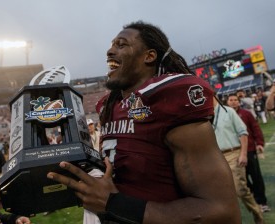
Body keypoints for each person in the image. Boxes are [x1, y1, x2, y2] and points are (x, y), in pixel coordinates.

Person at [47, 21, 241, 224]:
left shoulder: (168, 100)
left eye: (121, 45)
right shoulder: (110, 106)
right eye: (112, 44)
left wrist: (113, 204)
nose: (110, 51)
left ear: (149, 56)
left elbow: (221, 211)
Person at [213, 96, 264, 223]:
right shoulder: (204, 117)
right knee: (221, 193)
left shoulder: (228, 111)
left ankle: (257, 211)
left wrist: (243, 154)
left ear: (213, 96)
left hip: (232, 153)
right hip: (216, 157)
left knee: (240, 189)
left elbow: (243, 132)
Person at [227, 93, 271, 213]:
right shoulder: (225, 116)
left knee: (256, 176)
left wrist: (260, 143)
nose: (233, 102)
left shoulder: (246, 114)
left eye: (235, 100)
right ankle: (252, 198)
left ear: (238, 101)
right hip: (234, 153)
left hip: (250, 150)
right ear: (227, 102)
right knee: (242, 178)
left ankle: (262, 202)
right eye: (231, 100)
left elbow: (255, 128)